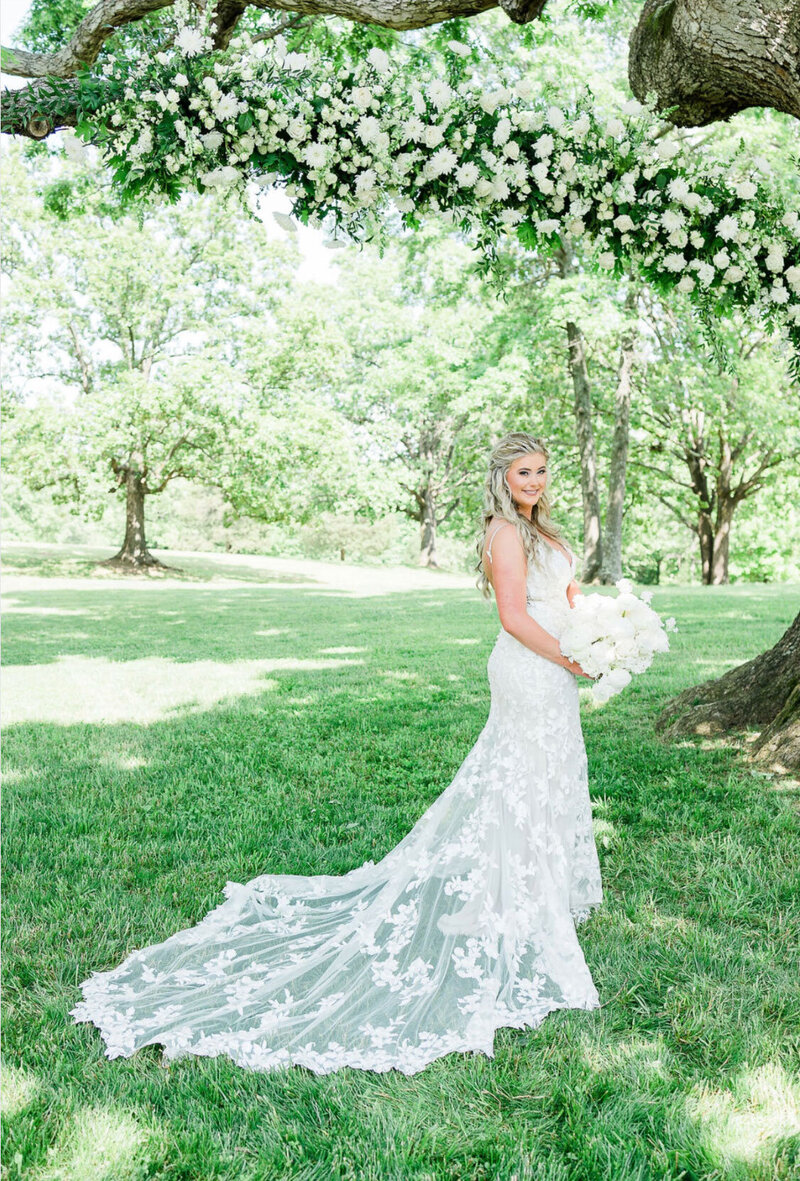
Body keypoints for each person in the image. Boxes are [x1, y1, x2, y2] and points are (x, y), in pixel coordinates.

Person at [70, 431, 604, 1077]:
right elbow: (515, 618)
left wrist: (602, 633)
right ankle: (505, 901)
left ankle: (524, 891)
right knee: (516, 777)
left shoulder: (545, 529)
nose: (537, 481)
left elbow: (565, 599)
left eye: (544, 470)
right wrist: (572, 656)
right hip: (530, 666)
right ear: (501, 476)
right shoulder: (502, 533)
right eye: (525, 471)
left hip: (557, 670)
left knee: (546, 777)